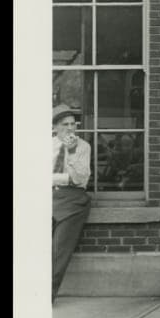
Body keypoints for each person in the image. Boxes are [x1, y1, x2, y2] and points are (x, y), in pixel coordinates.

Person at [52, 104, 91, 302]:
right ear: (55, 128)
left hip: (72, 200)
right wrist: (62, 178)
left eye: (73, 124)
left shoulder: (83, 147)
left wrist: (73, 152)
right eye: (64, 124)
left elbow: (79, 179)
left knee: (59, 250)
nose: (70, 128)